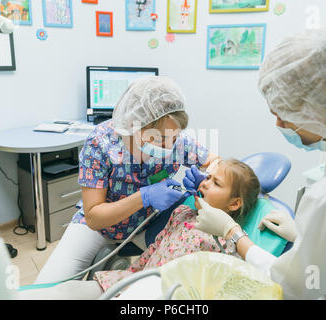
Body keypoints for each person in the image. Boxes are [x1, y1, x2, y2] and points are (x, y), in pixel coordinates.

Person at [189, 26, 326, 299]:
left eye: (285, 114)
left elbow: (292, 287)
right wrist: (304, 238)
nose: (279, 124)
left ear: (325, 111)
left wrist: (233, 233)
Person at [35, 76, 218, 284]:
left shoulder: (176, 140)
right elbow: (94, 216)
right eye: (160, 138)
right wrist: (144, 197)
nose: (169, 146)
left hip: (147, 225)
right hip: (100, 228)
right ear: (134, 125)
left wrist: (206, 177)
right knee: (45, 288)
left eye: (174, 137)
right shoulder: (101, 142)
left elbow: (214, 162)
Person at [20, 158, 261, 299]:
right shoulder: (182, 213)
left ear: (235, 203)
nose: (204, 183)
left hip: (159, 295)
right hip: (132, 280)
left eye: (215, 182)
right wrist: (126, 279)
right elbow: (152, 251)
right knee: (65, 291)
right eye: (206, 177)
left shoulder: (228, 239)